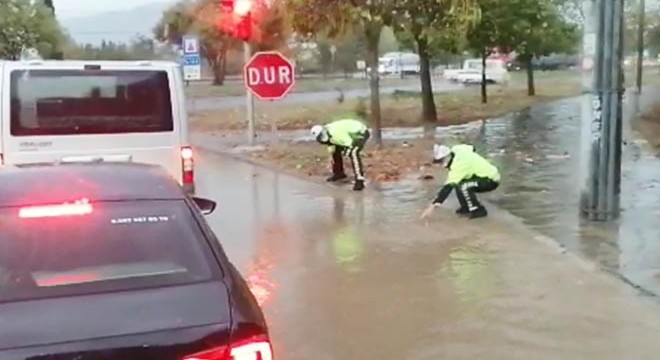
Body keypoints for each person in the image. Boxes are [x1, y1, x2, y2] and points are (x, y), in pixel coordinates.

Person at [420, 143, 500, 219]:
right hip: (483, 174)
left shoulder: (458, 166)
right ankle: (466, 207)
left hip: (490, 180)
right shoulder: (457, 149)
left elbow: (447, 188)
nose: (439, 164)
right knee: (459, 183)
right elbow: (471, 147)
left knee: (463, 186)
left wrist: (432, 206)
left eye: (440, 161)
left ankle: (478, 210)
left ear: (447, 158)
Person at [310, 118, 370, 191]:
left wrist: (346, 152)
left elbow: (349, 144)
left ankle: (359, 180)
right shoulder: (327, 133)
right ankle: (339, 173)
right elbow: (332, 144)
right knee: (335, 151)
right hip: (347, 134)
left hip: (359, 132)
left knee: (353, 152)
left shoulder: (337, 134)